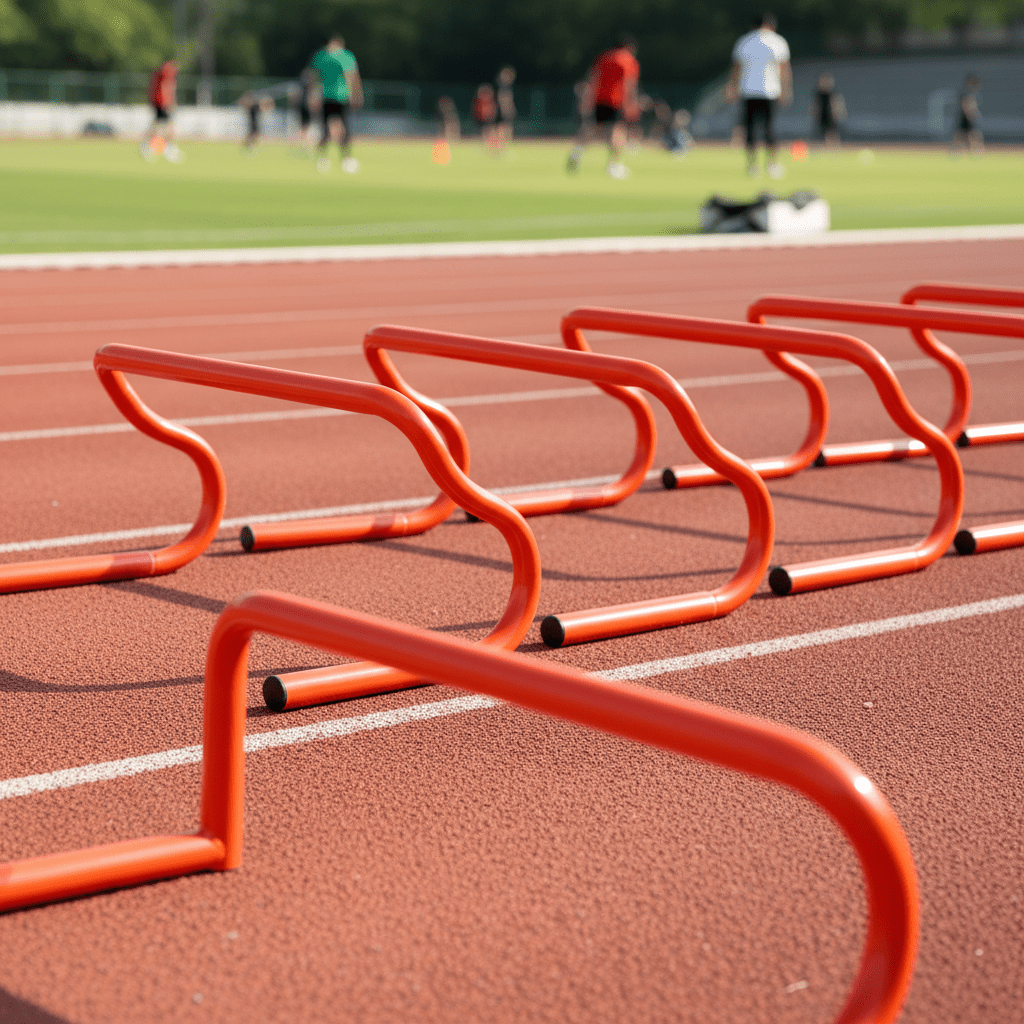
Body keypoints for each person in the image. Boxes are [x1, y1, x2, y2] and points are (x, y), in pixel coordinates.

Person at [566, 34, 640, 179]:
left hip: (599, 98)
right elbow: (628, 83)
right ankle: (613, 165)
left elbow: (593, 76)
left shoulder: (604, 57)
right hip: (617, 99)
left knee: (595, 129)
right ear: (629, 48)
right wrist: (631, 103)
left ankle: (577, 151)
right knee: (618, 131)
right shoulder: (628, 60)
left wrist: (588, 98)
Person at [725, 14, 791, 178]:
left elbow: (736, 68)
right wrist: (786, 89)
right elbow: (784, 69)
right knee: (769, 129)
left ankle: (752, 165)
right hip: (770, 91)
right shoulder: (778, 41)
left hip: (748, 91)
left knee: (750, 129)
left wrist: (732, 87)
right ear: (770, 25)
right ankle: (773, 165)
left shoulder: (744, 41)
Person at [310, 34, 363, 173]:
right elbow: (352, 76)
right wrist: (356, 94)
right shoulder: (344, 56)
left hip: (331, 96)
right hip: (339, 96)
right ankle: (343, 158)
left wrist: (313, 95)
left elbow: (314, 78)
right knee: (339, 127)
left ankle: (324, 158)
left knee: (328, 127)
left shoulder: (321, 56)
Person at [141, 59, 183, 162]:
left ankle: (147, 147)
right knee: (168, 127)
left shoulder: (161, 71)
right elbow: (165, 86)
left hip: (158, 101)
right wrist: (168, 101)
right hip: (162, 102)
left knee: (157, 126)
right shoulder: (167, 71)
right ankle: (169, 149)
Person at [953, 75, 983, 154]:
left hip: (966, 117)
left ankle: (957, 151)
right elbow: (966, 105)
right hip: (966, 117)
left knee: (964, 134)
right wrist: (972, 114)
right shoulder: (967, 92)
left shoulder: (970, 92)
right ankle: (975, 151)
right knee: (971, 134)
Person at [813, 72, 845, 149]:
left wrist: (839, 113)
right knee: (823, 134)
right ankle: (826, 149)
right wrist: (814, 114)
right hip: (822, 117)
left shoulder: (833, 93)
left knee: (832, 133)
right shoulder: (819, 95)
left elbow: (837, 103)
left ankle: (835, 148)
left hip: (830, 117)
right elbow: (815, 106)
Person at [495, 66, 517, 152]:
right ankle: (502, 148)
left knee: (506, 129)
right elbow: (504, 99)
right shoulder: (503, 87)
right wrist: (507, 109)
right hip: (503, 111)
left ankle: (503, 148)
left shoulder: (505, 86)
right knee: (504, 129)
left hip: (504, 111)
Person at [472, 83, 498, 151]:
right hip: (482, 118)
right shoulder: (480, 100)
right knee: (485, 132)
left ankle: (492, 145)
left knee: (491, 132)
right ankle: (488, 145)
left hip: (488, 118)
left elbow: (493, 109)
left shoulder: (489, 100)